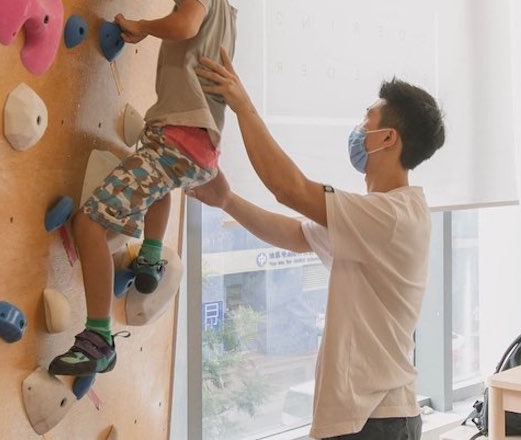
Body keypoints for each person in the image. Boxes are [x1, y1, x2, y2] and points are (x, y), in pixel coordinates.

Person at [188, 49, 445, 440]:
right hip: (368, 418)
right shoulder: (376, 217)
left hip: (373, 419)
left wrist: (243, 106)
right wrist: (228, 201)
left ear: (388, 138)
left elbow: (288, 188)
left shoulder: (392, 216)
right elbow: (295, 236)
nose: (359, 130)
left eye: (367, 121)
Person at [48, 0, 247, 377]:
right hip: (197, 147)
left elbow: (184, 24)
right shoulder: (228, 6)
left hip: (177, 140)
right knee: (157, 181)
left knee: (91, 223)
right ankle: (151, 259)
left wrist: (140, 25)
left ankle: (98, 338)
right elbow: (199, 13)